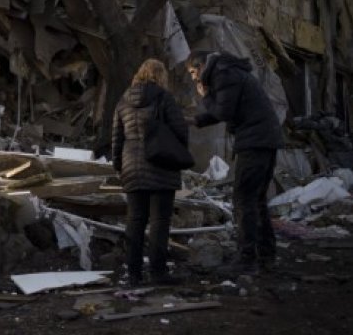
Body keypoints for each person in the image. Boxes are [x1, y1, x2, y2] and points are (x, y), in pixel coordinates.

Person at [187, 50, 283, 275]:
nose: (193, 78)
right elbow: (226, 108)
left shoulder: (222, 74)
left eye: (193, 72)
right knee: (256, 199)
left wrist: (205, 96)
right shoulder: (228, 72)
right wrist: (197, 120)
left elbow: (223, 111)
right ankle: (266, 255)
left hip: (255, 141)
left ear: (201, 66)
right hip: (265, 139)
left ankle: (246, 259)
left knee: (243, 199)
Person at [112, 58, 188, 287]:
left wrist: (119, 165)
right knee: (159, 222)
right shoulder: (164, 98)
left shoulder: (123, 101)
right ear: (160, 76)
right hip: (161, 167)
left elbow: (116, 138)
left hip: (132, 167)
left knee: (134, 221)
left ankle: (133, 274)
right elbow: (180, 130)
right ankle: (157, 272)